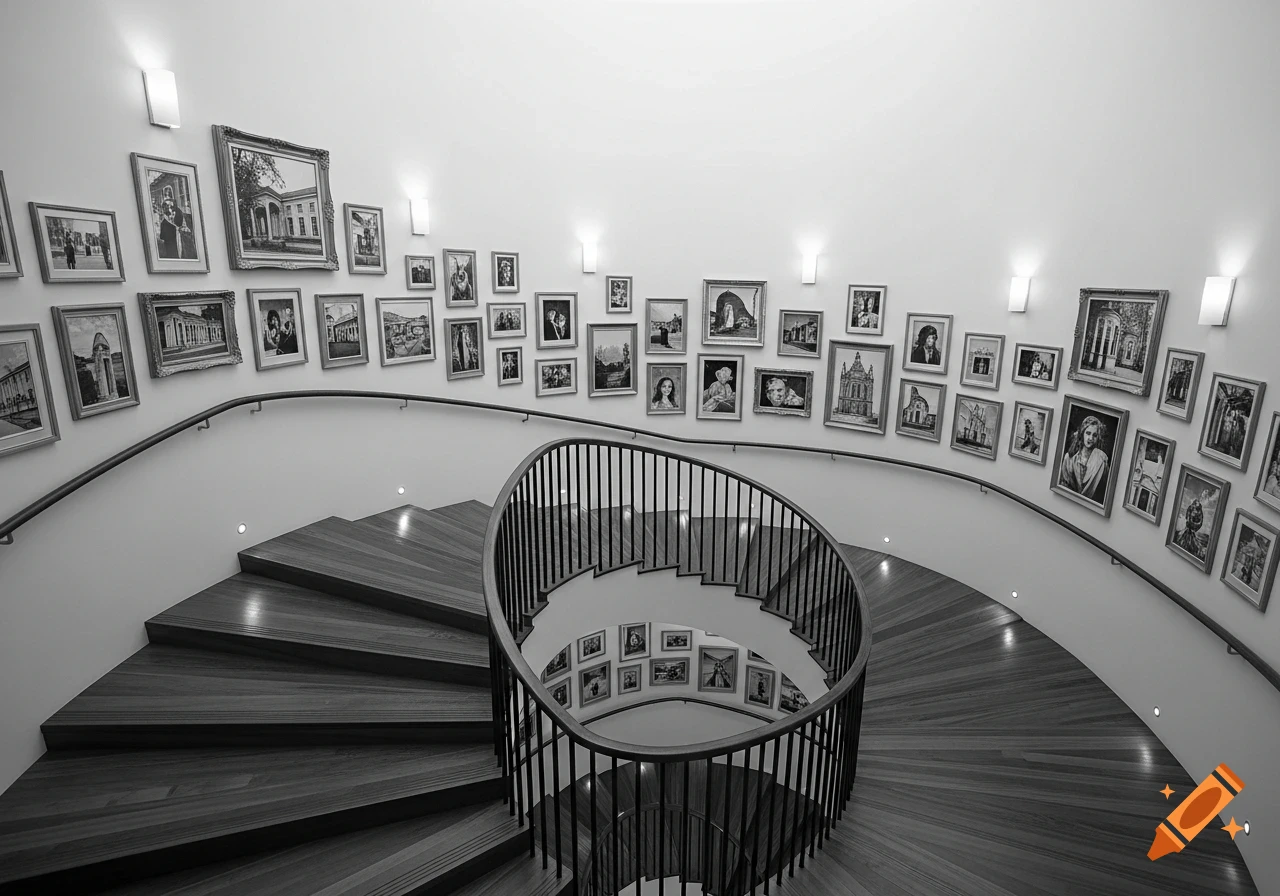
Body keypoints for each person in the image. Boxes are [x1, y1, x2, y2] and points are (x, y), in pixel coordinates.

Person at [1059, 415, 1110, 503]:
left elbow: (1105, 490)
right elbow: (1063, 485)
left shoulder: (1102, 460)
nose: (1090, 438)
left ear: (1098, 438)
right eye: (1088, 433)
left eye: (1095, 435)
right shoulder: (1069, 458)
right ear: (1082, 433)